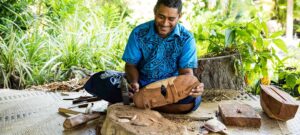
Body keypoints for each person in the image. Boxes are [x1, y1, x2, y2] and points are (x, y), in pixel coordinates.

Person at [84, 0, 204, 114]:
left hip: (169, 89)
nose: (165, 23)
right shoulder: (139, 33)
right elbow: (131, 65)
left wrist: (194, 87)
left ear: (179, 16)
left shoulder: (186, 39)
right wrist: (134, 82)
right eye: (161, 16)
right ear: (155, 11)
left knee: (194, 100)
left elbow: (186, 73)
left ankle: (139, 102)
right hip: (141, 85)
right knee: (100, 79)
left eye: (171, 19)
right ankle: (146, 101)